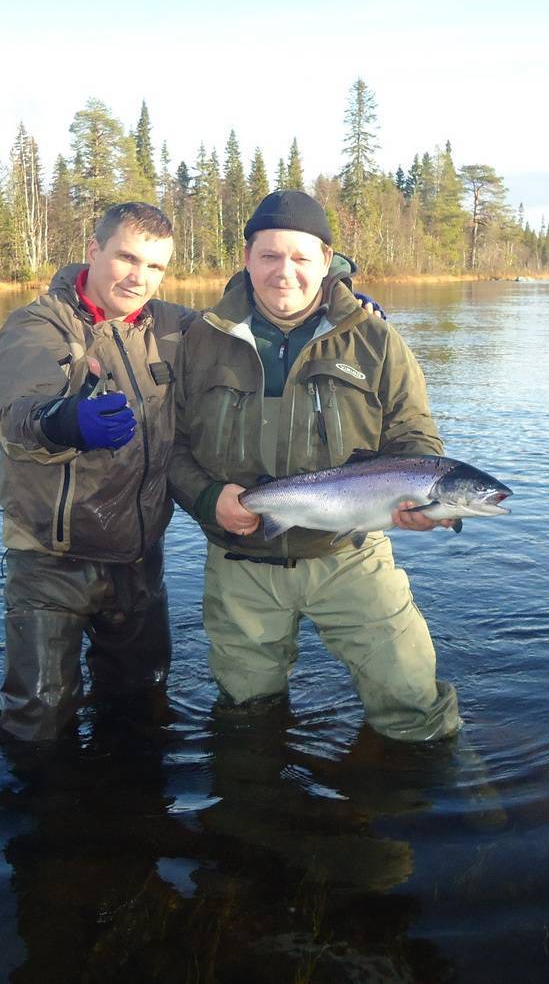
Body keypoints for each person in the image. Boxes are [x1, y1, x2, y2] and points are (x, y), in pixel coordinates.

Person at [169, 189, 463, 742]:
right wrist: (210, 501)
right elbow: (172, 448)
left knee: (414, 707)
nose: (285, 273)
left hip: (351, 557)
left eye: (302, 258)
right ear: (247, 257)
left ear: (327, 261)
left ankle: (448, 804)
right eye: (270, 256)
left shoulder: (375, 339)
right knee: (247, 719)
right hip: (241, 564)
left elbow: (415, 438)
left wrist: (423, 500)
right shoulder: (199, 341)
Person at [0, 202, 190, 742]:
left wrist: (332, 298)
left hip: (137, 555)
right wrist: (64, 421)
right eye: (127, 258)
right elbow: (18, 414)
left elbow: (248, 321)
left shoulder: (170, 325)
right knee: (38, 723)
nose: (139, 277)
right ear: (94, 250)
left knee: (142, 703)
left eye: (155, 267)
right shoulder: (39, 324)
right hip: (52, 559)